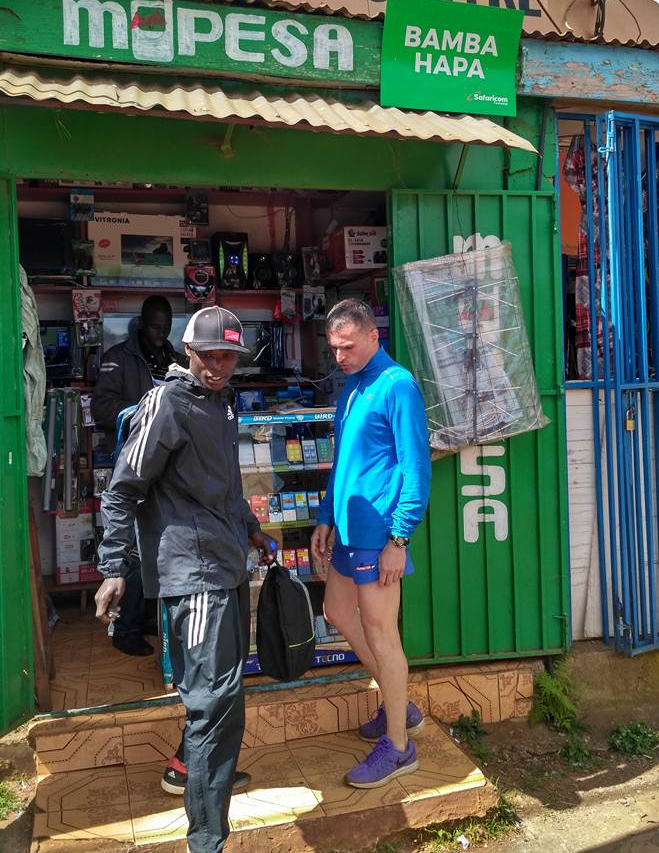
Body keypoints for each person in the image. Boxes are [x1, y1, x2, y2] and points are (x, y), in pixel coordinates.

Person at [95, 306, 275, 853]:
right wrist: (112, 567)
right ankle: (206, 838)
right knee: (210, 701)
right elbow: (123, 489)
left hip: (226, 563)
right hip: (192, 575)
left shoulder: (223, 403)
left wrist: (252, 530)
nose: (218, 366)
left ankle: (212, 782)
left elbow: (225, 486)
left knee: (227, 695)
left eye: (228, 357)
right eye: (209, 356)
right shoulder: (167, 403)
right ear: (188, 352)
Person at [311, 298, 431, 789]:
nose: (340, 357)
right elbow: (343, 462)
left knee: (383, 634)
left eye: (348, 347)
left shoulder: (397, 385)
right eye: (334, 349)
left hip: (379, 533)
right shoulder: (352, 387)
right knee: (337, 612)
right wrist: (325, 516)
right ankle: (398, 703)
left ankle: (399, 747)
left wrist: (399, 538)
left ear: (373, 336)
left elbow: (416, 468)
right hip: (347, 529)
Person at [92, 295, 186, 656]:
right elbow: (101, 406)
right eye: (155, 327)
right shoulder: (118, 358)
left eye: (166, 328)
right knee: (130, 548)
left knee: (158, 545)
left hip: (169, 467)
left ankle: (147, 617)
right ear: (142, 324)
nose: (161, 334)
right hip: (133, 461)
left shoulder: (175, 359)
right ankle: (125, 628)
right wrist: (144, 413)